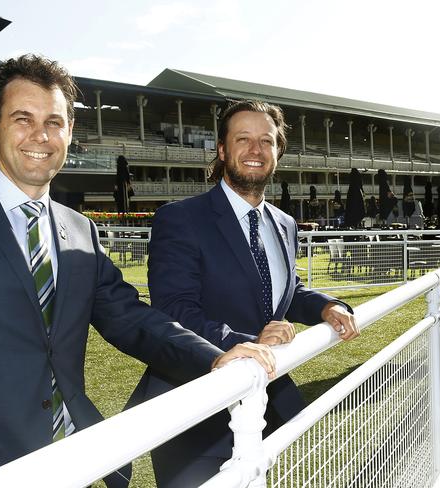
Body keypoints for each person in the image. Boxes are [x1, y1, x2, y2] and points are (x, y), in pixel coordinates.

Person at [0, 55, 276, 488]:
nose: (41, 135)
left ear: (70, 132)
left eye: (55, 122)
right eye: (23, 118)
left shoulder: (78, 229)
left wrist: (216, 356)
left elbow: (132, 318)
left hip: (70, 457)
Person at [129, 100, 359, 487]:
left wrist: (326, 306)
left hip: (261, 407)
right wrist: (247, 341)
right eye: (243, 139)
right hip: (197, 413)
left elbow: (285, 289)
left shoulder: (284, 223)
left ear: (278, 151)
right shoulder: (181, 217)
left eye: (266, 141)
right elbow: (174, 308)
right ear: (222, 150)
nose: (255, 150)